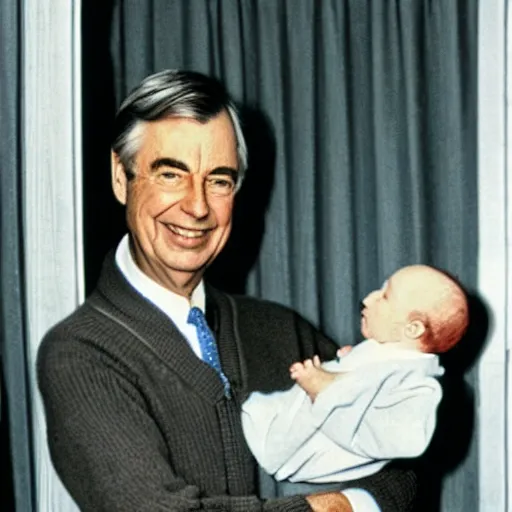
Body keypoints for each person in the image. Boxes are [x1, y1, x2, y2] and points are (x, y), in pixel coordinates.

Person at [37, 69, 418, 512]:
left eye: (218, 180)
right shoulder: (81, 354)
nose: (197, 207)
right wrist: (333, 507)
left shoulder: (281, 331)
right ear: (121, 178)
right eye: (171, 175)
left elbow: (398, 468)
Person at [242, 264, 468, 495]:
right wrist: (351, 362)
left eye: (385, 297)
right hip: (283, 424)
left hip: (298, 455)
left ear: (412, 329)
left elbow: (383, 435)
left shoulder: (419, 387)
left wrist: (325, 390)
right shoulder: (389, 353)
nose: (369, 299)